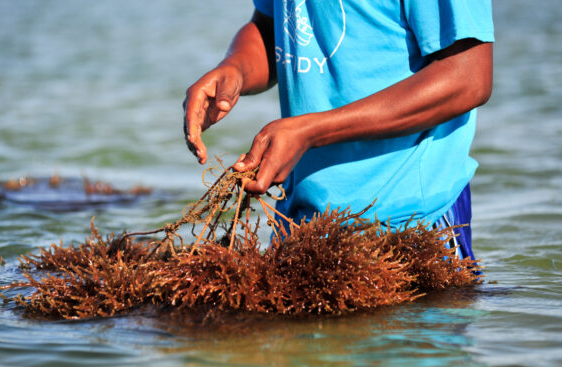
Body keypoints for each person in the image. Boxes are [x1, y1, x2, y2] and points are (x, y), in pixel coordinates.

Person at [183, 0, 493, 259]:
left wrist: (312, 132)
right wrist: (234, 69)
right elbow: (272, 28)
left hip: (412, 225)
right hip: (302, 223)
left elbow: (468, 77)